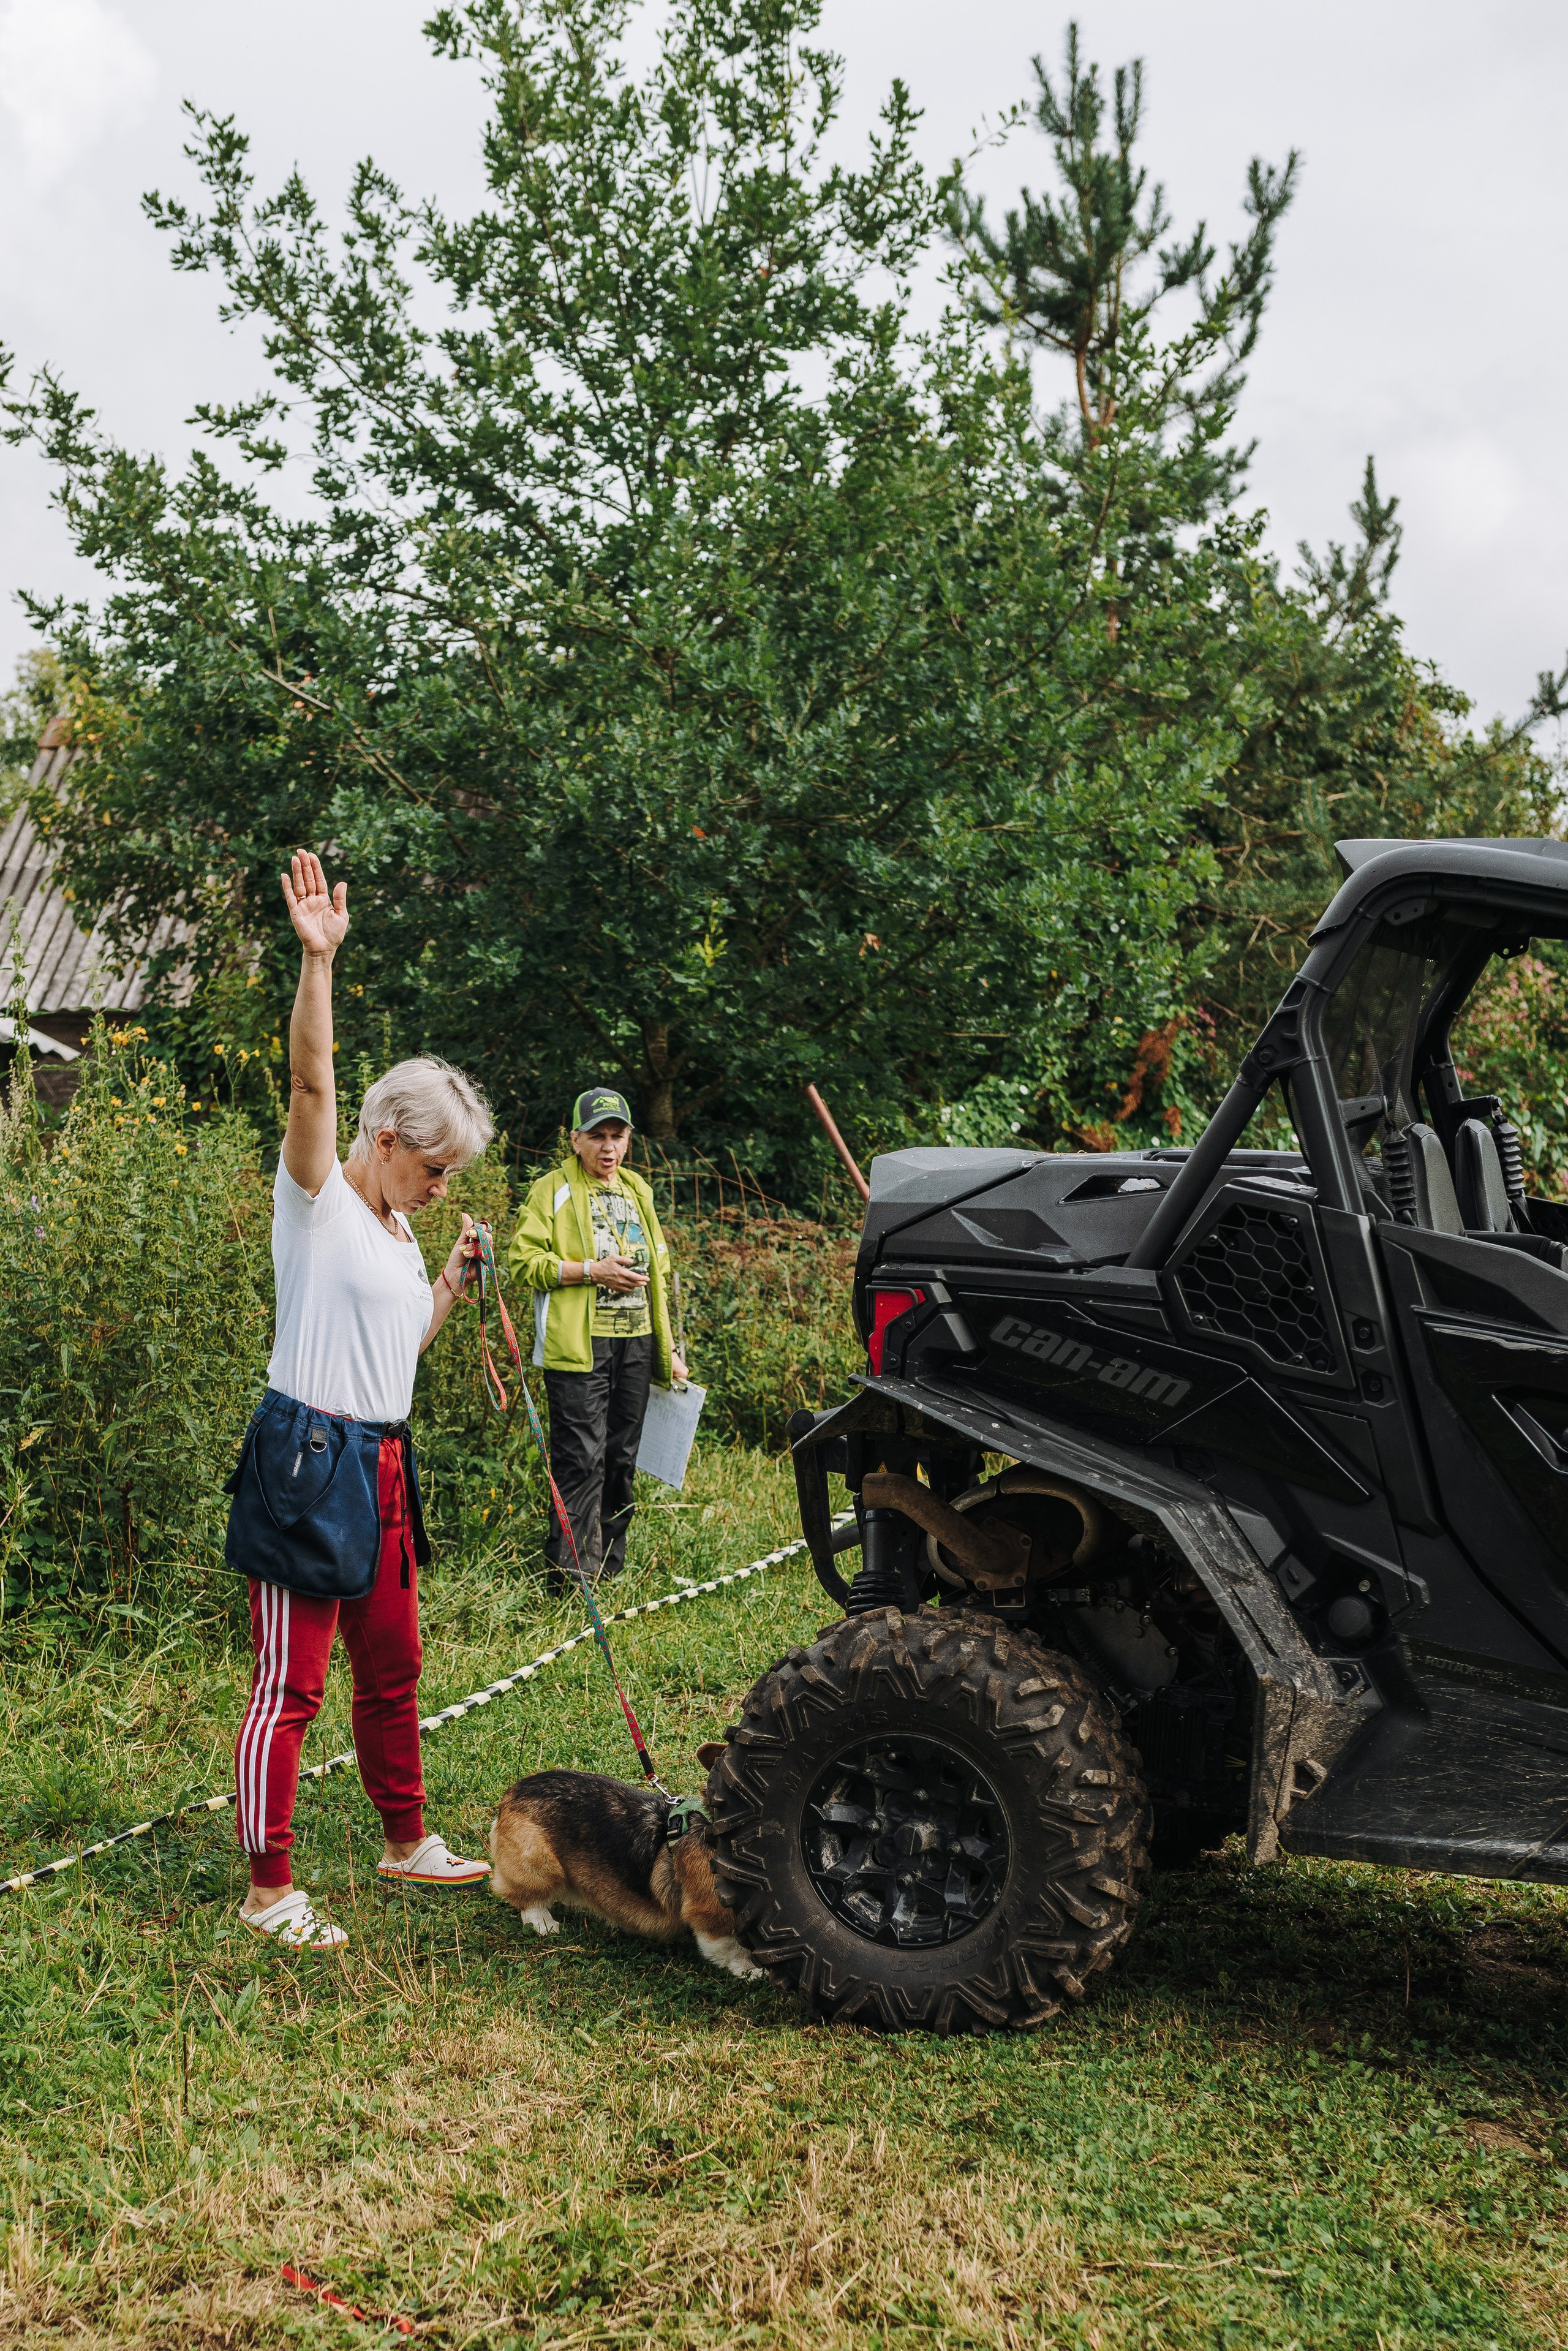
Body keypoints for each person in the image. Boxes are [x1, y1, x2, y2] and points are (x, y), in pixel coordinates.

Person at [226, 851, 495, 1951]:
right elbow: (311, 1083)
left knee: (395, 1666)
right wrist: (317, 962)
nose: (444, 1188)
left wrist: (443, 1289)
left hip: (382, 1456)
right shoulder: (322, 1197)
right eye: (435, 1169)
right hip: (307, 1458)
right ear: (384, 1139)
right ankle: (267, 1890)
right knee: (290, 1683)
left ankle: (403, 1840)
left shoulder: (396, 1229)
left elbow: (395, 1352)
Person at [510, 1086, 688, 1588]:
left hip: (637, 1343)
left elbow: (659, 1274)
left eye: (618, 1136)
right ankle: (571, 1580)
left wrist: (669, 1349)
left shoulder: (638, 1191)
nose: (608, 1148)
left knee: (621, 1458)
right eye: (597, 1137)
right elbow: (524, 1263)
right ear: (575, 1140)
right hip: (579, 1348)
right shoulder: (552, 1190)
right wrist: (593, 1271)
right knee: (580, 1457)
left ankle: (609, 1568)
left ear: (629, 1140)